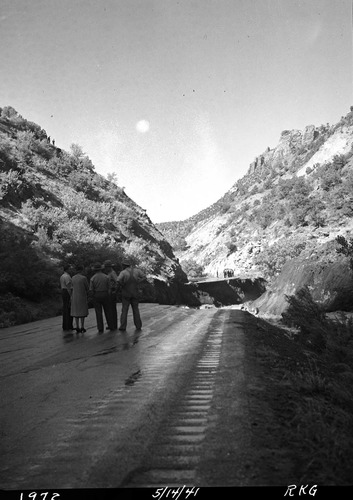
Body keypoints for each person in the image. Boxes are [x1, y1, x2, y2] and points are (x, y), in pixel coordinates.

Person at [117, 261, 145, 331]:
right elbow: (144, 277)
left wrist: (122, 284)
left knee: (124, 310)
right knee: (136, 310)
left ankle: (123, 326)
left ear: (123, 266)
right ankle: (138, 326)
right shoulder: (137, 271)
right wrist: (138, 281)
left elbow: (118, 280)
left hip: (126, 294)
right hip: (135, 293)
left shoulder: (123, 272)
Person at [89, 262, 113, 333]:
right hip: (105, 294)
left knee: (98, 312)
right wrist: (108, 294)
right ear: (101, 269)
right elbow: (109, 287)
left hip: (97, 295)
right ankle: (111, 325)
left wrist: (92, 296)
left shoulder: (93, 278)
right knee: (108, 311)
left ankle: (100, 328)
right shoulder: (106, 276)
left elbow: (91, 289)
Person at [71, 264, 89, 333]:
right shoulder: (83, 278)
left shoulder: (73, 278)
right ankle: (82, 326)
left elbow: (71, 287)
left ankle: (77, 326)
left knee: (76, 312)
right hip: (82, 296)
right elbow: (87, 288)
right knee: (82, 312)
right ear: (82, 270)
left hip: (74, 296)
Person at [104, 260, 118, 331]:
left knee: (112, 309)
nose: (105, 269)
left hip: (112, 292)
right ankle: (112, 324)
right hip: (110, 292)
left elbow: (117, 281)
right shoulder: (110, 273)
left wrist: (114, 290)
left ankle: (113, 325)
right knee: (110, 309)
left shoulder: (112, 273)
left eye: (106, 267)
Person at [60, 264, 73, 332]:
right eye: (69, 268)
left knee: (65, 308)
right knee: (68, 308)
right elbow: (68, 287)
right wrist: (71, 295)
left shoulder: (62, 276)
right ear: (67, 269)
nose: (70, 270)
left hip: (63, 291)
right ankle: (69, 325)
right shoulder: (67, 276)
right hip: (67, 292)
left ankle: (65, 325)